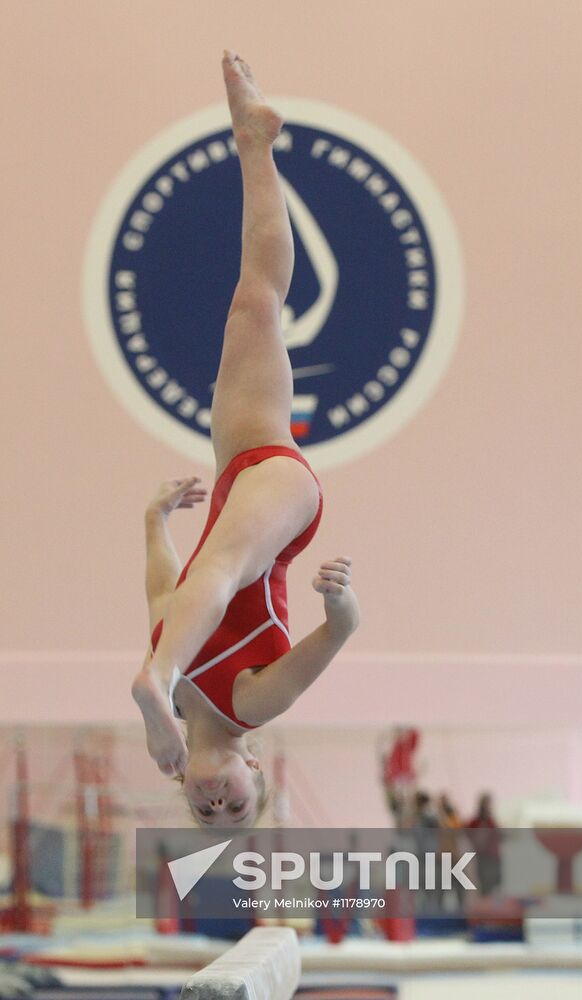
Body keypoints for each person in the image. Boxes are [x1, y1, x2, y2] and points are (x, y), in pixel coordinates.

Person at [131, 52, 360, 828]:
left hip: (238, 482)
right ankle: (146, 683)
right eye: (238, 802)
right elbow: (338, 637)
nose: (219, 803)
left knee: (252, 304)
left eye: (209, 813)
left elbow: (168, 589)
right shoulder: (251, 703)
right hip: (283, 509)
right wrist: (340, 600)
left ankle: (254, 143)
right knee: (226, 569)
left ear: (184, 790)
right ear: (252, 767)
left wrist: (152, 522)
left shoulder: (183, 646)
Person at [467, 792, 502, 896]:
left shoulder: (490, 820)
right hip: (484, 856)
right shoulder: (478, 821)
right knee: (485, 882)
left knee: (494, 882)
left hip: (492, 855)